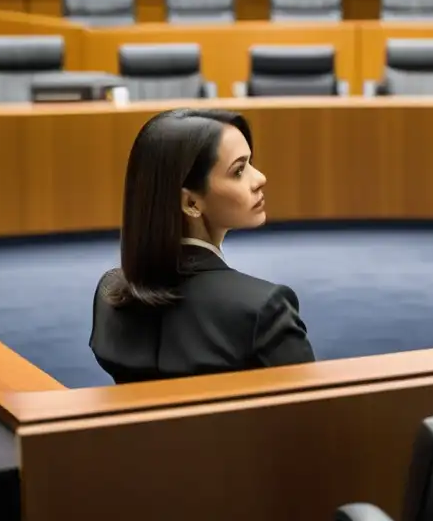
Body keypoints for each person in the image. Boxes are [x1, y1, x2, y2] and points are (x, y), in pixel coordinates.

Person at [90, 108, 314, 382]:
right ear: (192, 203)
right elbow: (311, 415)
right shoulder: (262, 310)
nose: (260, 179)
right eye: (239, 170)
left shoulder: (109, 296)